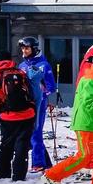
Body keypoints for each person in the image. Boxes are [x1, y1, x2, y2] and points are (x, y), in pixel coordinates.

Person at [46, 50, 93, 184]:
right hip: (86, 124)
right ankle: (52, 175)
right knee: (84, 157)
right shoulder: (89, 79)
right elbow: (89, 103)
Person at [0, 51, 37, 181]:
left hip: (8, 115)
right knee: (22, 145)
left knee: (7, 144)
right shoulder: (20, 72)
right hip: (27, 114)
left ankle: (3, 173)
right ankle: (19, 175)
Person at [18, 37, 58, 172]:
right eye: (23, 48)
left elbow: (51, 86)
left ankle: (38, 163)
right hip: (25, 103)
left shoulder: (43, 64)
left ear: (34, 49)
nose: (24, 51)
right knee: (28, 133)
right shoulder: (22, 65)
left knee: (36, 133)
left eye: (27, 48)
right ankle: (45, 161)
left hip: (38, 104)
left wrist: (42, 93)